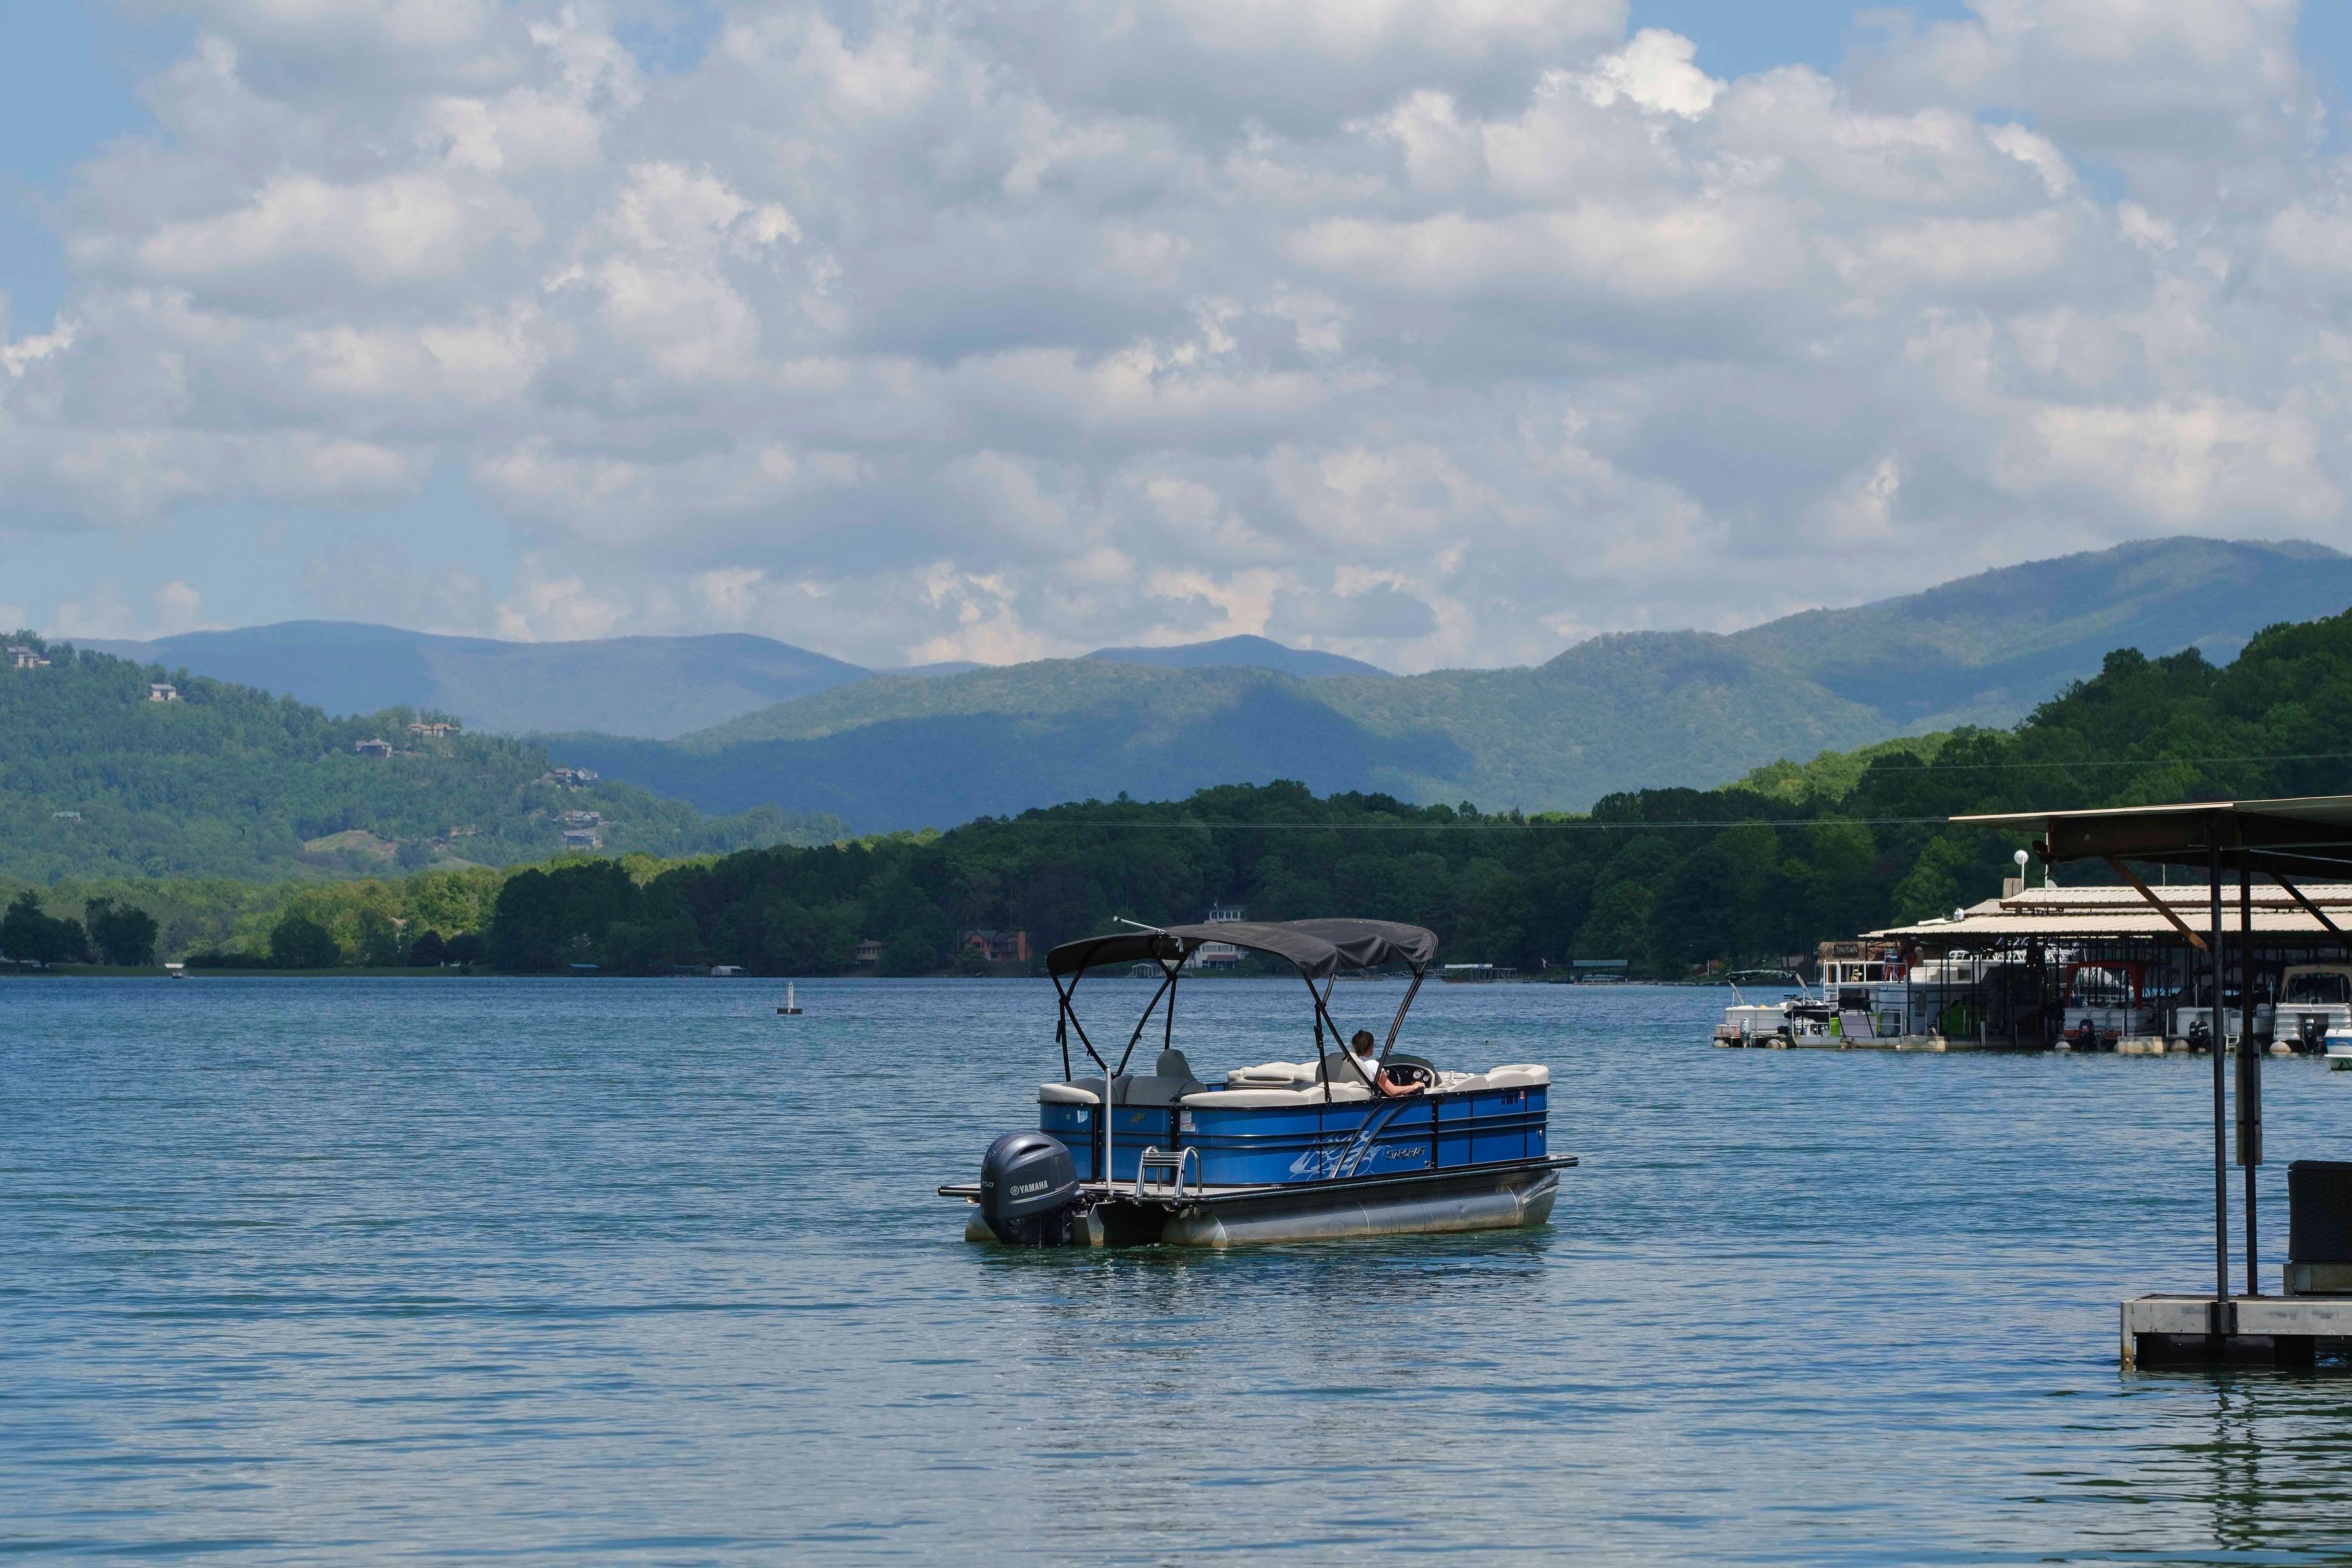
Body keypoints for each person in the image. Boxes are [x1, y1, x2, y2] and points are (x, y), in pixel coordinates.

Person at [1346, 1028, 1422, 1096]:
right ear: (1371, 1047)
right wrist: (1415, 1086)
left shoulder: (1348, 1063)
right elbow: (1393, 1091)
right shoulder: (1373, 1065)